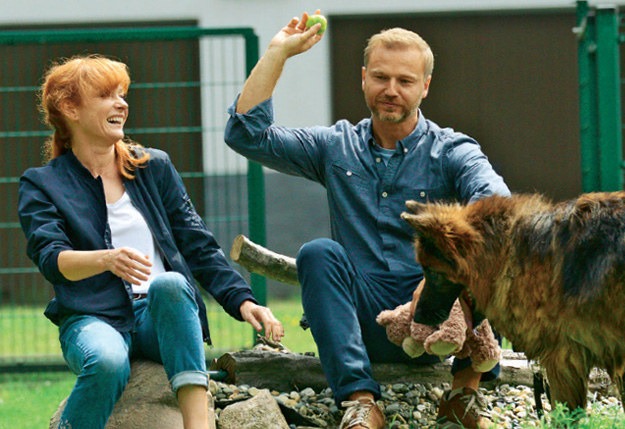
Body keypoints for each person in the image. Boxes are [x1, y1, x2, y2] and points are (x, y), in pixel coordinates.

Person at [225, 12, 510, 429]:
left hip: (440, 315)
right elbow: (245, 135)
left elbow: (498, 204)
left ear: (425, 86)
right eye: (380, 77)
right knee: (319, 253)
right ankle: (360, 402)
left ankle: (463, 395)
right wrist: (277, 54)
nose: (390, 90)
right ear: (363, 78)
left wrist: (441, 278)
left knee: (492, 240)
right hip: (365, 318)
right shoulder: (335, 146)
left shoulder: (452, 150)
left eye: (405, 81)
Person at [17, 55, 284, 429]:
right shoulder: (42, 184)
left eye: (123, 94)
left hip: (161, 317)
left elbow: (198, 245)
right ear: (69, 107)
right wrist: (105, 259)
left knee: (171, 283)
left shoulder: (153, 167)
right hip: (91, 316)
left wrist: (243, 300)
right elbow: (50, 258)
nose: (121, 104)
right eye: (106, 95)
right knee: (107, 362)